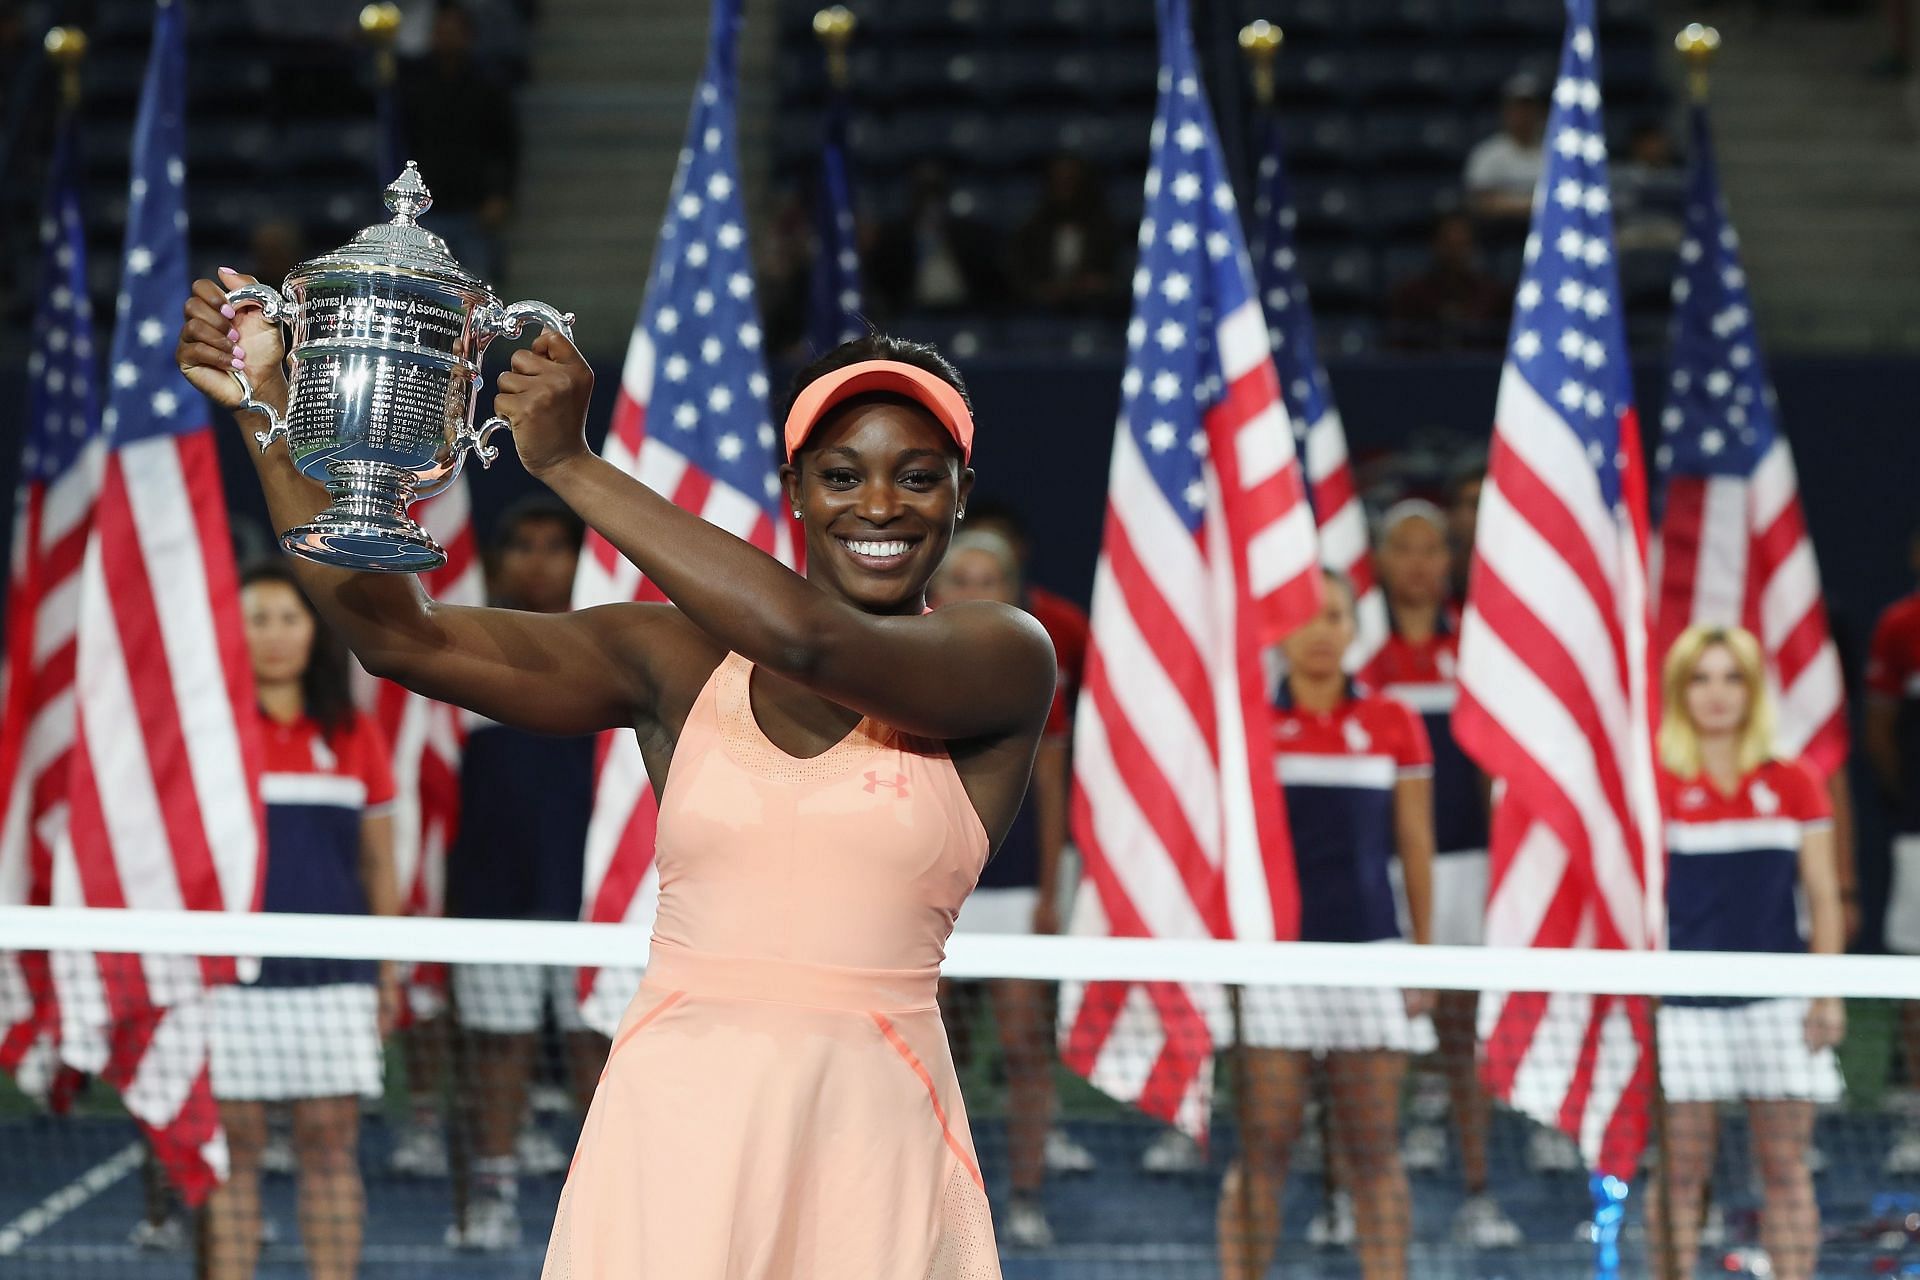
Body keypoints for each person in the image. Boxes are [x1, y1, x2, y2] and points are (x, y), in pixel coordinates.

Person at [180, 275, 1056, 1277]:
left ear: (961, 496)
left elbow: (809, 639)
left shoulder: (1004, 657)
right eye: (842, 474)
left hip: (873, 1141)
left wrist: (568, 463)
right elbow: (399, 637)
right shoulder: (674, 663)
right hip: (672, 1130)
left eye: (919, 476)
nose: (880, 504)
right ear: (796, 490)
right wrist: (268, 410)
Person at [1220, 571, 1434, 1280]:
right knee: (1265, 1149)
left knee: (1375, 1152)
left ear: (1353, 629)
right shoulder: (1247, 721)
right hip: (1272, 969)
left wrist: (1423, 960)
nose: (1319, 632)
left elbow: (1415, 847)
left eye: (1334, 616)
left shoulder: (1393, 721)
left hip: (1371, 964)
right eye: (1305, 618)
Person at [205, 561, 400, 1280]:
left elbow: (380, 867)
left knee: (328, 1143)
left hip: (334, 978)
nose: (275, 636)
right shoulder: (211, 736)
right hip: (231, 979)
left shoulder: (352, 733)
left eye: (289, 618)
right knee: (236, 1148)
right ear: (233, 631)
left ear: (313, 631)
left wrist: (386, 973)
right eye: (257, 619)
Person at [1648, 624, 1845, 1280]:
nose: (1716, 693)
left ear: (1753, 689)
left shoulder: (1795, 781)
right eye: (1701, 678)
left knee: (1786, 1171)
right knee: (1680, 1174)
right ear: (1680, 690)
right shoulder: (1655, 781)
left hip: (1778, 1007)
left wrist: (1827, 994)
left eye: (1731, 677)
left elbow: (1822, 899)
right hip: (1681, 1011)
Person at [440, 495, 602, 1251]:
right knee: (497, 1047)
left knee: (599, 1046)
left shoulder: (613, 649)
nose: (538, 560)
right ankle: (493, 1192)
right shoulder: (468, 646)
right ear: (498, 561)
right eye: (523, 544)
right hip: (493, 891)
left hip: (593, 893)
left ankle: (611, 1199)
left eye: (555, 545)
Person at [1358, 502, 1520, 1249]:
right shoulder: (1359, 654)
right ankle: (1344, 1193)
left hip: (1472, 869)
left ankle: (1480, 1189)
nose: (1420, 563)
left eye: (1434, 550)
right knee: (1363, 1043)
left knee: (1463, 1030)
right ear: (1382, 562)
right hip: (1377, 873)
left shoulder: (1482, 651)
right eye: (1405, 549)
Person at [932, 529, 1079, 1250]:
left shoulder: (1034, 680)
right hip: (929, 893)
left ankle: (1022, 1197)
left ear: (1010, 592)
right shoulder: (900, 670)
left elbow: (1051, 793)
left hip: (1015, 892)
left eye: (986, 578)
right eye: (958, 578)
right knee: (929, 1052)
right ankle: (930, 1198)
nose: (970, 591)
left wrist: (1052, 894)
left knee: (1024, 1047)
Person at [396, 3, 520, 282]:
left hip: (472, 208)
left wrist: (501, 195)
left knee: (478, 285)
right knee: (424, 286)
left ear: (468, 36)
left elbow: (506, 147)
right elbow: (401, 142)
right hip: (426, 208)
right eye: (441, 32)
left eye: (453, 32)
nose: (447, 38)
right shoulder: (414, 86)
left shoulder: (488, 86)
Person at [1869, 530, 1920, 1173]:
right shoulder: (1899, 627)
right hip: (1918, 829)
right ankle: (1916, 1112)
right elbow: (1880, 733)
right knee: (1917, 977)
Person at [868, 161, 1005, 317]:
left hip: (964, 313)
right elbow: (887, 290)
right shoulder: (893, 238)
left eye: (935, 192)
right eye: (923, 193)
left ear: (946, 196)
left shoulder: (971, 235)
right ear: (912, 197)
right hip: (913, 318)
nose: (930, 202)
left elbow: (989, 285)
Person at [1009, 154, 1124, 315]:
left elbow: (1117, 276)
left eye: (1071, 182)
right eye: (1059, 182)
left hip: (1094, 312)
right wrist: (1042, 289)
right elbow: (1019, 278)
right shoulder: (1031, 231)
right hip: (1040, 313)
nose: (1065, 189)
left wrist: (1096, 284)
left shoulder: (1104, 230)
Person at [1385, 213, 1509, 351]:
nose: (1455, 252)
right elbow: (1397, 348)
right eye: (1449, 244)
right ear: (1435, 245)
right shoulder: (1410, 293)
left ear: (1472, 247)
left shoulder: (1492, 294)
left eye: (1461, 245)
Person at [1463, 72, 1548, 225]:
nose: (1524, 115)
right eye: (1518, 108)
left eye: (1529, 108)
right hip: (1499, 239)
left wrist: (1508, 202)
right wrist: (1536, 205)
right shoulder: (1487, 154)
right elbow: (1482, 204)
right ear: (1506, 111)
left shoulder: (1554, 154)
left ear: (1540, 112)